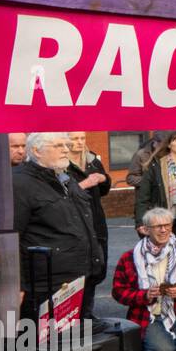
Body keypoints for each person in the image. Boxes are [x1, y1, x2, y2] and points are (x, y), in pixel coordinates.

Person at [11, 133, 104, 330]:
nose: (65, 149)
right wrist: (17, 284)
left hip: (76, 279)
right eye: (58, 145)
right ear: (37, 151)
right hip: (45, 285)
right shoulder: (19, 183)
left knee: (69, 347)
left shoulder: (64, 178)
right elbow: (12, 237)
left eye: (66, 144)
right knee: (42, 347)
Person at [111, 207, 176, 351]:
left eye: (167, 225)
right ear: (146, 230)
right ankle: (148, 338)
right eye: (157, 227)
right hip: (148, 314)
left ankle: (169, 334)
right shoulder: (129, 257)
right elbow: (118, 291)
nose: (163, 230)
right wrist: (144, 295)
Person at [65, 132, 111, 318]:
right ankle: (75, 314)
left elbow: (105, 190)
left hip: (96, 222)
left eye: (81, 139)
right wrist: (84, 184)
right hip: (75, 223)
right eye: (74, 139)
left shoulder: (92, 160)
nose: (78, 142)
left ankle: (88, 312)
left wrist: (104, 179)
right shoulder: (60, 164)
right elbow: (59, 194)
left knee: (96, 268)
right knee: (78, 272)